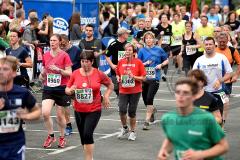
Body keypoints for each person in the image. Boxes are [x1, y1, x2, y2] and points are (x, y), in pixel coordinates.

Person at [157, 78, 229, 160]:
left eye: (185, 93)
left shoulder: (206, 119)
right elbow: (171, 138)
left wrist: (200, 155)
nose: (181, 96)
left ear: (194, 96)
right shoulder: (167, 118)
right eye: (178, 92)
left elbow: (223, 146)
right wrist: (163, 151)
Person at [65, 50, 113, 160]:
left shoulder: (98, 73)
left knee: (87, 134)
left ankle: (88, 158)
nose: (84, 63)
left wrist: (106, 96)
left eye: (87, 61)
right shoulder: (75, 73)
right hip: (79, 109)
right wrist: (70, 90)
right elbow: (67, 90)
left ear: (92, 61)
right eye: (82, 61)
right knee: (83, 137)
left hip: (94, 109)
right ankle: (89, 156)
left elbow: (110, 85)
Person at [0, 56, 41, 160]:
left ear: (14, 73)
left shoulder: (22, 93)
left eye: (5, 69)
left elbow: (37, 112)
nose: (1, 72)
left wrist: (26, 116)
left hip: (15, 144)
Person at [40, 34, 72, 148]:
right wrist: (41, 75)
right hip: (48, 87)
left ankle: (62, 137)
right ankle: (51, 136)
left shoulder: (64, 55)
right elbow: (44, 69)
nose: (52, 42)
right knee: (45, 113)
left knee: (59, 116)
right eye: (51, 40)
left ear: (59, 42)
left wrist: (59, 70)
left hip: (61, 88)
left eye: (54, 40)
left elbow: (70, 73)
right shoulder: (46, 55)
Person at [193, 37, 233, 118]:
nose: (208, 46)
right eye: (206, 44)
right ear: (204, 46)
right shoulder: (199, 60)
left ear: (215, 45)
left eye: (210, 44)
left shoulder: (221, 58)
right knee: (204, 116)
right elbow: (193, 76)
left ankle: (220, 127)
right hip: (204, 93)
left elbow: (230, 73)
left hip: (219, 91)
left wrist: (220, 81)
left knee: (219, 118)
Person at [138, 31, 168, 129]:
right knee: (145, 99)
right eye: (147, 38)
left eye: (150, 38)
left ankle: (146, 121)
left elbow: (166, 60)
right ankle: (152, 110)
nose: (149, 40)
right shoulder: (142, 51)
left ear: (154, 39)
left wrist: (161, 65)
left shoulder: (159, 49)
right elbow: (138, 64)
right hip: (144, 78)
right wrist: (145, 64)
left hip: (155, 78)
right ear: (144, 40)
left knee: (150, 98)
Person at [116, 43, 146, 141]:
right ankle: (125, 128)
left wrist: (133, 76)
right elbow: (117, 73)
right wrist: (118, 78)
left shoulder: (138, 62)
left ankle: (133, 132)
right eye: (126, 50)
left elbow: (143, 78)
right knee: (122, 110)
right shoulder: (120, 62)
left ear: (133, 52)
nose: (128, 52)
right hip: (123, 90)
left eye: (130, 50)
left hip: (135, 91)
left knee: (132, 112)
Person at [215, 32, 240, 126]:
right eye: (220, 41)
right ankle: (217, 120)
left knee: (224, 102)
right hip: (214, 81)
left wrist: (236, 75)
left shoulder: (232, 50)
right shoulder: (213, 50)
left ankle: (222, 121)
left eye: (224, 42)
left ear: (227, 41)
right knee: (215, 102)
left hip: (227, 82)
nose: (222, 43)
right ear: (217, 41)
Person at [60, 34, 81, 136]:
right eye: (60, 44)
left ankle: (83, 121)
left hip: (75, 80)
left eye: (63, 44)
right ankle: (68, 126)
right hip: (63, 82)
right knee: (65, 105)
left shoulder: (76, 50)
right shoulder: (58, 51)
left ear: (68, 42)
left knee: (77, 104)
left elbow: (81, 64)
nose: (62, 46)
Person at [105, 27, 130, 97]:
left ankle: (123, 99)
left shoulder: (128, 44)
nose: (128, 34)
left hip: (126, 69)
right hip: (115, 70)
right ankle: (119, 94)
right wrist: (112, 65)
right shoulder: (113, 44)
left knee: (125, 88)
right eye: (126, 33)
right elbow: (107, 56)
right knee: (116, 87)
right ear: (122, 35)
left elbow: (134, 55)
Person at [156, 13, 172, 80]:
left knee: (166, 60)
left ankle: (164, 74)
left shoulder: (170, 26)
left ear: (167, 18)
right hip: (160, 46)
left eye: (165, 17)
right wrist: (160, 34)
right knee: (160, 60)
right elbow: (156, 38)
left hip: (167, 46)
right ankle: (159, 72)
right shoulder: (158, 27)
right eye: (162, 17)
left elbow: (170, 37)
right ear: (161, 19)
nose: (164, 19)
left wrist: (171, 48)